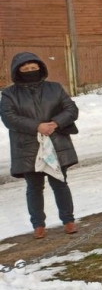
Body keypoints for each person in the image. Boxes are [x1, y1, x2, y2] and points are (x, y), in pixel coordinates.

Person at [1, 52, 79, 239]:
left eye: (33, 68)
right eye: (25, 69)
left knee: (60, 183)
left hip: (56, 143)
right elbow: (9, 117)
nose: (30, 71)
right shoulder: (9, 94)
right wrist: (37, 126)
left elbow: (71, 109)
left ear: (41, 68)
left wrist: (55, 123)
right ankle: (38, 225)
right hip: (27, 147)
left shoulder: (55, 88)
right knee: (34, 187)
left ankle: (68, 221)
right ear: (17, 71)